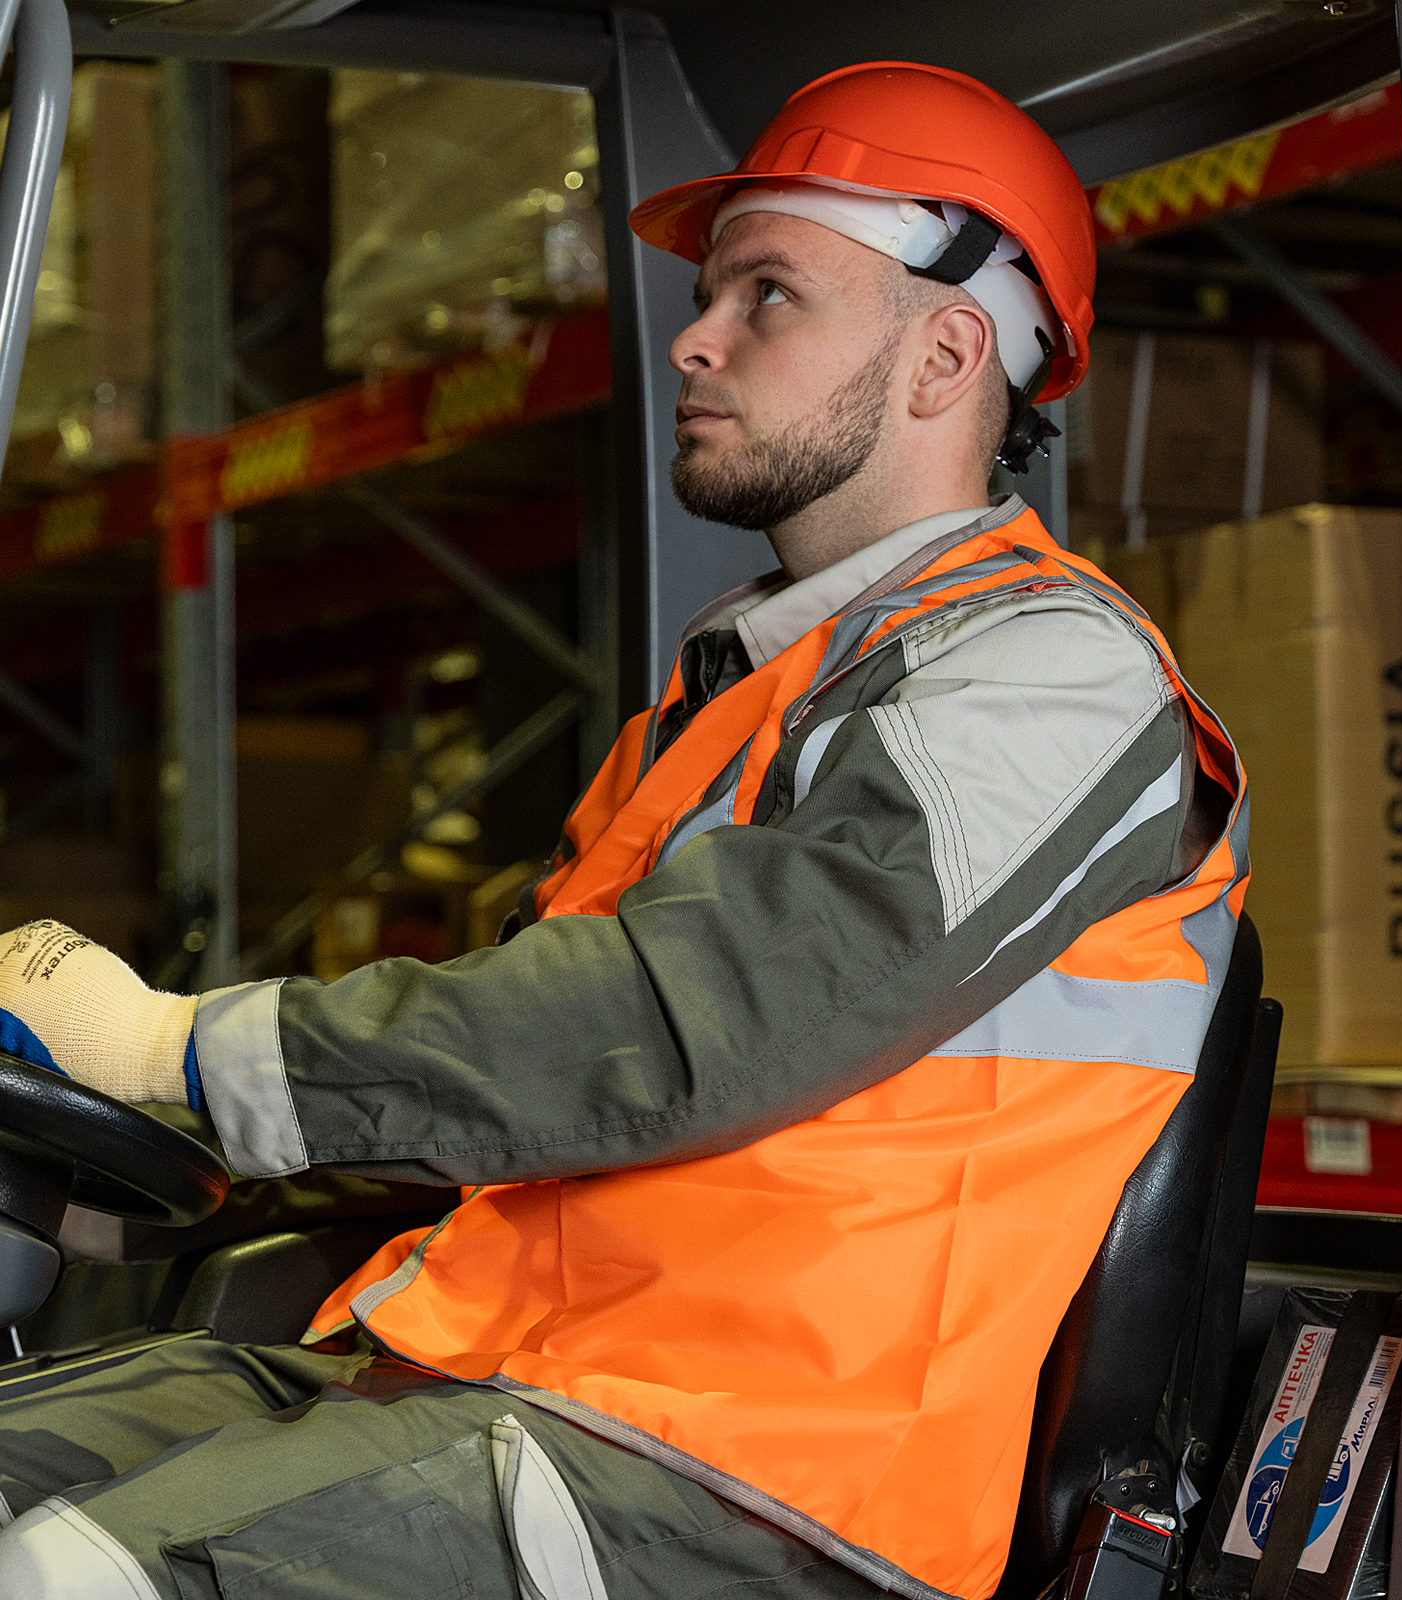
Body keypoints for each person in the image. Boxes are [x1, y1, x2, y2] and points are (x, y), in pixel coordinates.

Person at [0, 61, 1247, 1600]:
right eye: (712, 294)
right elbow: (523, 1090)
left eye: (767, 294)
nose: (694, 338)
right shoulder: (733, 696)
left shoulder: (1053, 676)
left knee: (64, 1580)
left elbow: (684, 1030)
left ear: (945, 356)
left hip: (755, 1481)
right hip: (496, 1374)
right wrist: (166, 1158)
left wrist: (175, 1049)